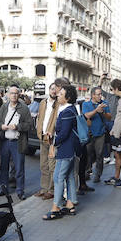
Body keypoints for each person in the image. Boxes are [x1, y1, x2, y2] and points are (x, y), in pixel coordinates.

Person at [42, 85, 80, 220]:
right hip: (71, 149)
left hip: (66, 150)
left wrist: (53, 142)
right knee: (69, 176)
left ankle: (56, 207)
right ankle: (70, 203)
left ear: (67, 97)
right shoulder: (70, 109)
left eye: (61, 94)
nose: (58, 95)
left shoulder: (67, 112)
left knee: (58, 177)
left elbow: (63, 133)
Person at [0, 85, 31, 200]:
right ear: (8, 95)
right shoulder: (4, 107)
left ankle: (20, 191)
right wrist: (2, 126)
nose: (13, 95)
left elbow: (29, 125)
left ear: (19, 95)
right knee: (3, 167)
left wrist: (17, 126)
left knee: (19, 168)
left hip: (17, 142)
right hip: (5, 141)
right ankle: (4, 189)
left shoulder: (24, 108)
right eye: (11, 93)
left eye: (16, 93)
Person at [80, 86, 111, 186]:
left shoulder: (104, 104)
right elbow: (86, 116)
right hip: (89, 133)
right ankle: (88, 171)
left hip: (100, 133)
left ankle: (98, 174)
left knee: (99, 154)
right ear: (93, 95)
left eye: (101, 94)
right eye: (98, 94)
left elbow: (109, 117)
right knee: (88, 153)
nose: (100, 96)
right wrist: (96, 110)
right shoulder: (86, 104)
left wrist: (104, 113)